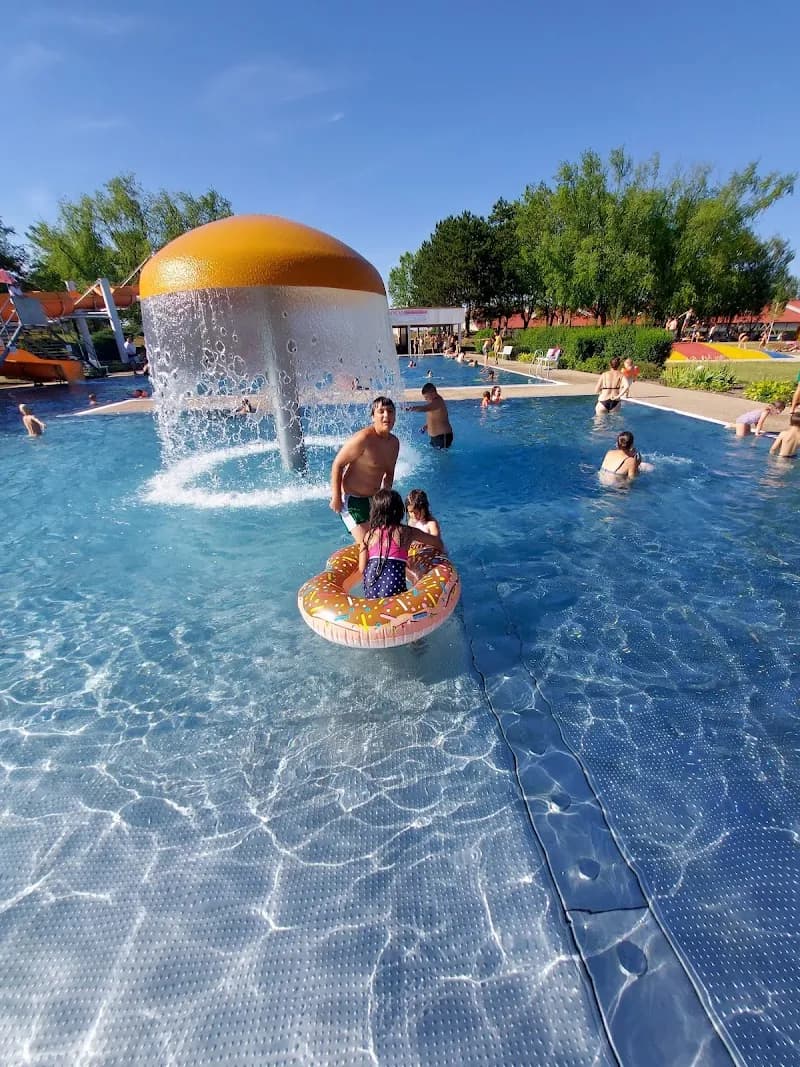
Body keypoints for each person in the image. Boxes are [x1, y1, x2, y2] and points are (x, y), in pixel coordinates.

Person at [330, 395, 400, 532]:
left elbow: (389, 474)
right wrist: (336, 497)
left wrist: (386, 503)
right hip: (352, 501)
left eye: (390, 411)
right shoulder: (363, 439)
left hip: (374, 501)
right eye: (381, 411)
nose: (387, 415)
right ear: (373, 417)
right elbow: (338, 464)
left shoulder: (394, 443)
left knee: (384, 541)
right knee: (368, 544)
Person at [357, 489, 442, 598]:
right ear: (399, 510)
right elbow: (436, 542)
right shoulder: (408, 531)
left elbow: (362, 568)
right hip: (393, 587)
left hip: (370, 589)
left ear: (374, 511)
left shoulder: (368, 535)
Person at [407, 382, 454, 449]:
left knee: (442, 458)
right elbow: (436, 418)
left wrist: (411, 408)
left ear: (433, 393)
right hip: (436, 438)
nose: (425, 399)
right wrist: (426, 426)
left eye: (426, 397)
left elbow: (424, 408)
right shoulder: (432, 403)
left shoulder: (438, 402)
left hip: (443, 437)